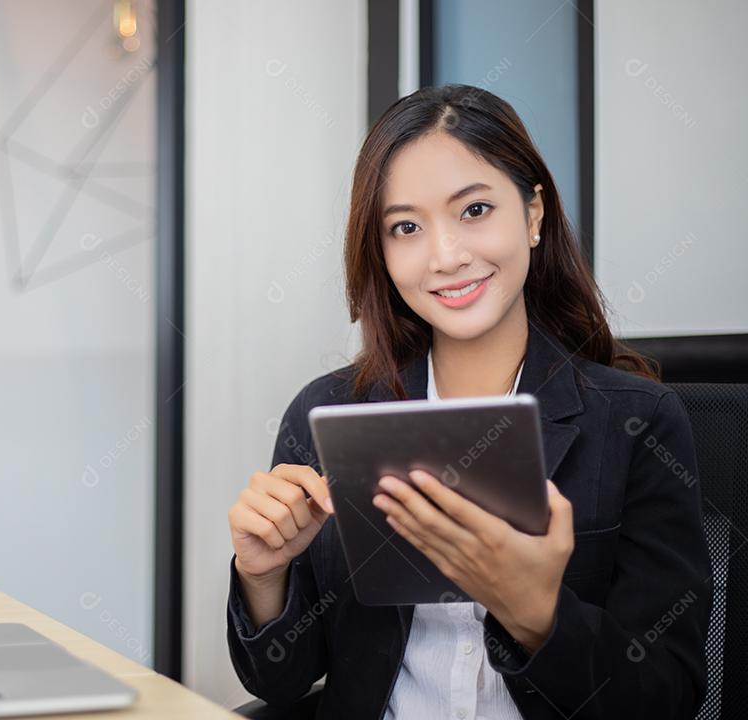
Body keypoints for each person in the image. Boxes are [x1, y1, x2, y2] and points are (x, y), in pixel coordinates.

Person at [226, 84, 711, 719]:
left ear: (534, 215)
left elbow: (665, 699)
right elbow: (283, 683)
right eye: (406, 227)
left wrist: (537, 616)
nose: (446, 256)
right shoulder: (329, 414)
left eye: (475, 211)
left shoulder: (636, 422)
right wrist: (264, 578)